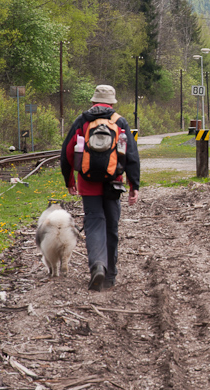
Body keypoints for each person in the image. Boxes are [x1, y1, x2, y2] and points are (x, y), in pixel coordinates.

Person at [61, 85, 141, 291]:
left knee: (95, 223)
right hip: (113, 183)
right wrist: (134, 186)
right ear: (112, 103)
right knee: (111, 227)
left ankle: (98, 265)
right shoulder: (119, 121)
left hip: (88, 183)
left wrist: (70, 180)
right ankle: (110, 275)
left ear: (93, 102)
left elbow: (67, 152)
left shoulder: (83, 121)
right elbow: (131, 155)